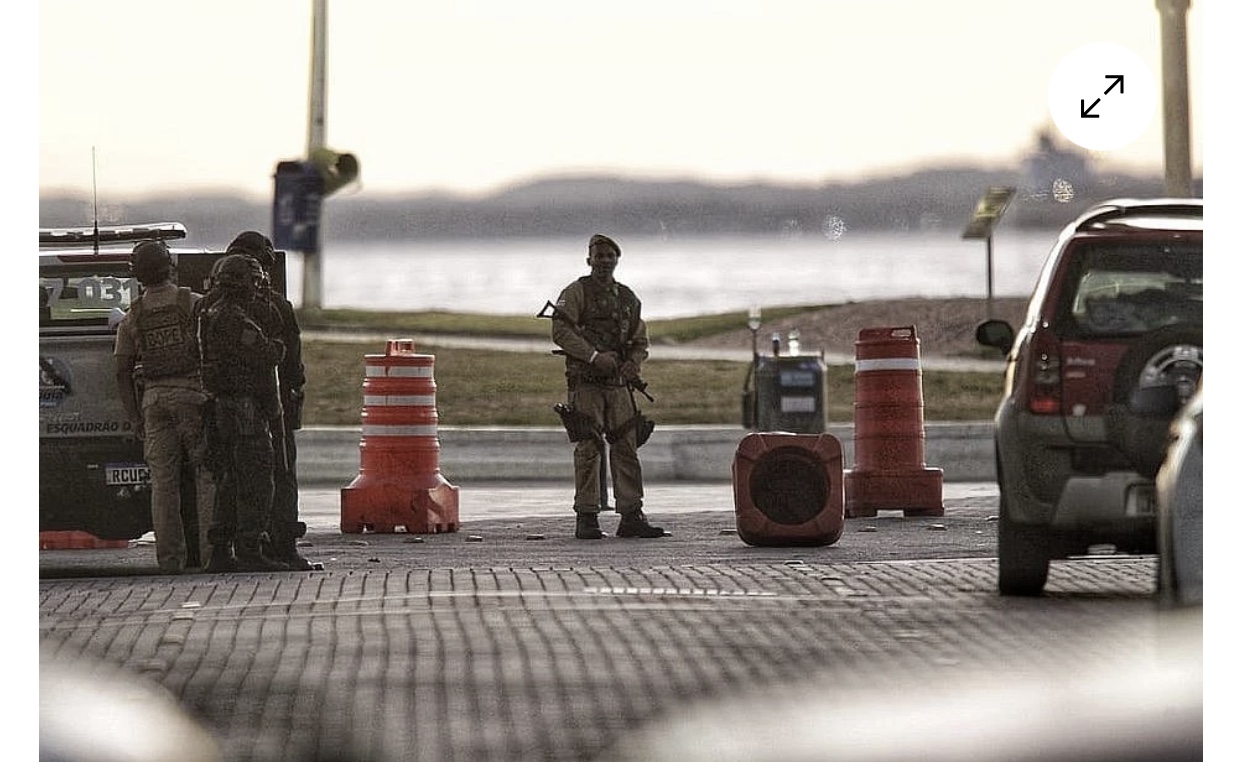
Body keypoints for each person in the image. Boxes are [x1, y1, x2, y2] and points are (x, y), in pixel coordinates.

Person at [550, 233, 665, 540]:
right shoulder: (576, 293)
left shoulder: (628, 299)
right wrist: (593, 356)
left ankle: (631, 514)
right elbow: (560, 331)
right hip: (587, 383)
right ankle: (587, 517)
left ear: (616, 260)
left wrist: (632, 364)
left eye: (608, 256)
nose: (603, 261)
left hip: (618, 386)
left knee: (627, 446)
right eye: (598, 256)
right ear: (589, 260)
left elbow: (640, 341)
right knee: (589, 446)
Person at [113, 240, 216, 573]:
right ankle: (212, 555)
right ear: (170, 266)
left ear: (138, 276)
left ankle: (170, 561)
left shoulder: (133, 316)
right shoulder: (193, 304)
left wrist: (134, 418)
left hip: (154, 402)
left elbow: (121, 371)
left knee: (163, 484)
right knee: (205, 476)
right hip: (192, 396)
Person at [223, 231, 312, 570]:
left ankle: (239, 544)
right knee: (281, 473)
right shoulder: (275, 305)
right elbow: (291, 359)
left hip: (231, 402)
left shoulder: (212, 305)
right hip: (271, 402)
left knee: (234, 475)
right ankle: (281, 544)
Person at [197, 253, 289, 572]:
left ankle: (222, 547)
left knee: (231, 480)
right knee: (257, 479)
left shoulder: (211, 311)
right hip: (243, 409)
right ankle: (249, 547)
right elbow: (267, 353)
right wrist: (277, 345)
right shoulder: (233, 318)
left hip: (225, 407)